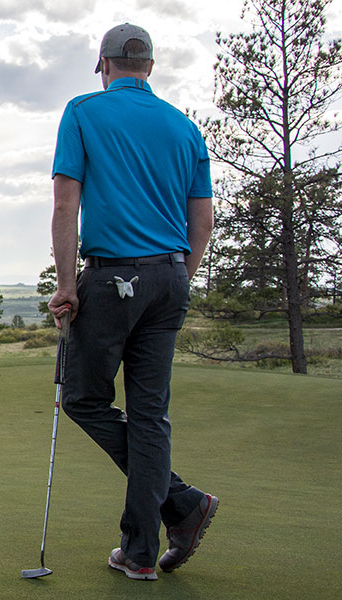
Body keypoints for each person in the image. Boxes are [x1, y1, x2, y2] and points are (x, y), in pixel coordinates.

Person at [47, 23, 218, 581]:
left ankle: (179, 504)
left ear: (104, 64)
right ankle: (147, 547)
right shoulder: (186, 127)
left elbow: (66, 204)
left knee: (82, 399)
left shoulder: (82, 111)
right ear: (149, 66)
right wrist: (177, 278)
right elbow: (203, 221)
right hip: (170, 278)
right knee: (150, 417)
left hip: (110, 278)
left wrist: (67, 283)